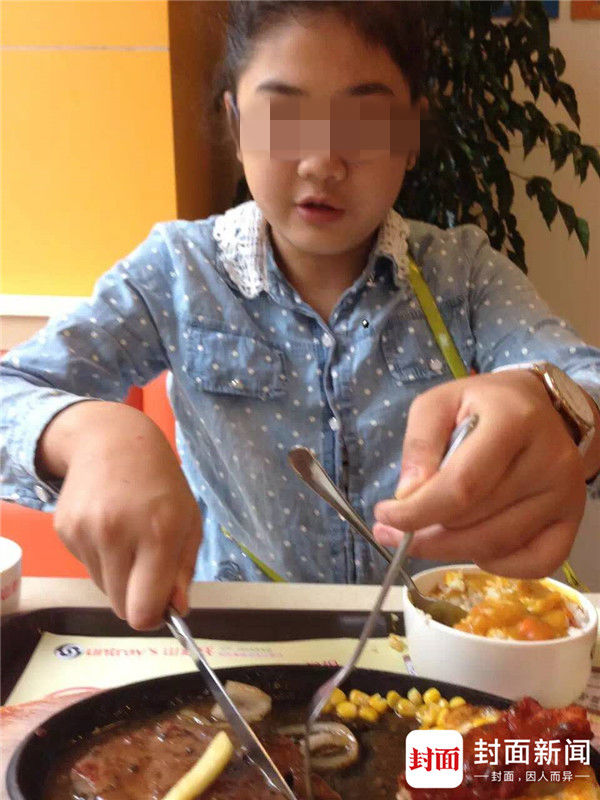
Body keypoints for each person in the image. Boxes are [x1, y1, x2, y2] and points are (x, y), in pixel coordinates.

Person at [1, 1, 599, 631]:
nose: (322, 163)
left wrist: (561, 414)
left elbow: (585, 381)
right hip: (241, 649)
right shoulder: (177, 272)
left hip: (434, 645)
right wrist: (88, 435)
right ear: (236, 125)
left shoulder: (464, 273)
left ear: (410, 136)